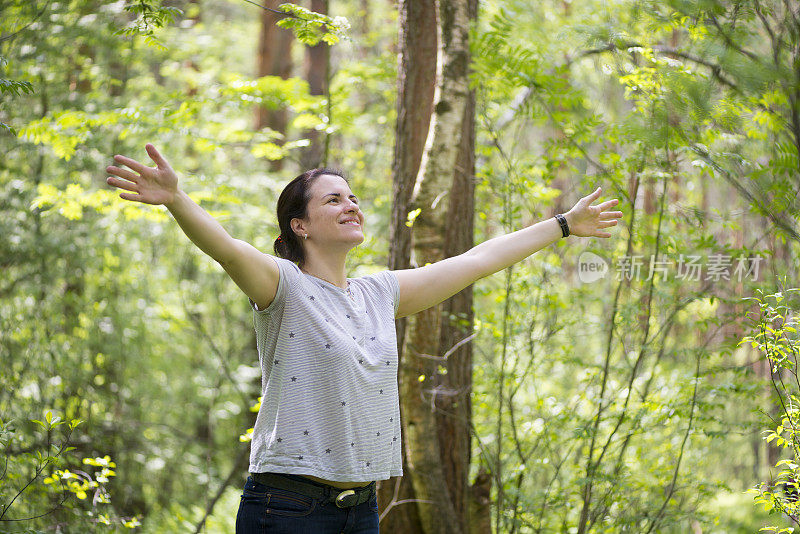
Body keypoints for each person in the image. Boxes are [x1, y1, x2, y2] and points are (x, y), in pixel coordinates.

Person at [105, 143, 623, 533]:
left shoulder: (378, 294)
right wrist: (176, 200)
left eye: (353, 198)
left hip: (361, 508)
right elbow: (228, 249)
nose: (352, 205)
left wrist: (562, 224)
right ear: (301, 225)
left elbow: (474, 261)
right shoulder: (283, 287)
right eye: (334, 200)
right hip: (287, 508)